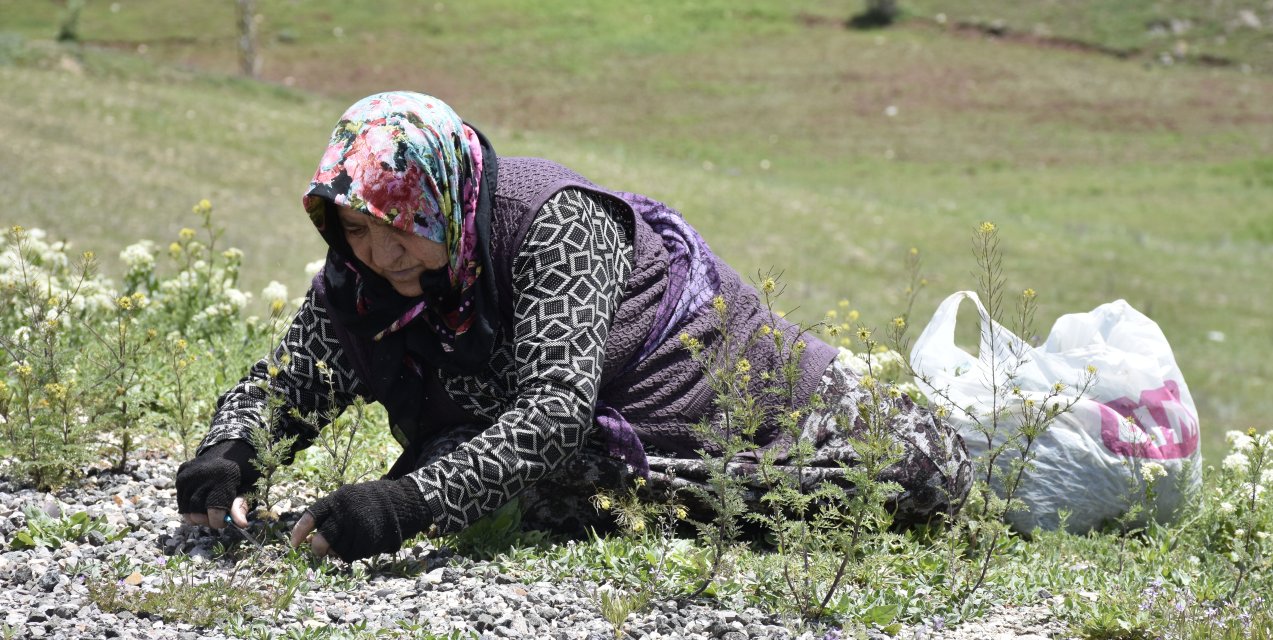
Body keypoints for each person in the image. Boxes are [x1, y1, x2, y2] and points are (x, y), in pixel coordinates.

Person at [175, 91, 972, 562]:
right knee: (523, 490)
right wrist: (228, 454)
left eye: (403, 225)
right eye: (356, 229)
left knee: (921, 474)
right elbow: (295, 379)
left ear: (447, 198)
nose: (381, 254)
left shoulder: (554, 223)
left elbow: (553, 413)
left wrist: (401, 506)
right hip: (597, 456)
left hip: (765, 412)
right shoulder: (362, 276)